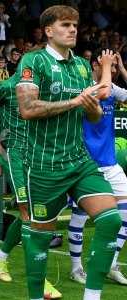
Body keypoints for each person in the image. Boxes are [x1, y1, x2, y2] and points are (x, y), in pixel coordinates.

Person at [15, 6, 120, 300]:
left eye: (75, 24)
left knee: (111, 220)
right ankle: (36, 296)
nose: (73, 29)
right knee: (40, 238)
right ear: (49, 30)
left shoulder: (82, 66)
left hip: (79, 160)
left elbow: (95, 117)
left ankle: (92, 296)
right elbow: (27, 109)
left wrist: (93, 108)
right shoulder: (33, 61)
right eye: (65, 25)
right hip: (45, 165)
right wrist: (75, 102)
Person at [0, 75, 61, 299]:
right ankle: (40, 279)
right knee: (27, 213)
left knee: (34, 213)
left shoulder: (43, 87)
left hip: (38, 156)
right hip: (15, 154)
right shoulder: (6, 86)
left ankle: (1, 256)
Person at [68, 51, 127, 285]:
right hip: (86, 165)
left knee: (125, 213)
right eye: (108, 65)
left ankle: (111, 263)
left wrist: (121, 68)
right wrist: (108, 69)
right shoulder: (86, 87)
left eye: (113, 67)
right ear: (97, 65)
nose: (111, 70)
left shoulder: (113, 88)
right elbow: (102, 90)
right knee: (79, 218)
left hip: (110, 164)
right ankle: (76, 269)